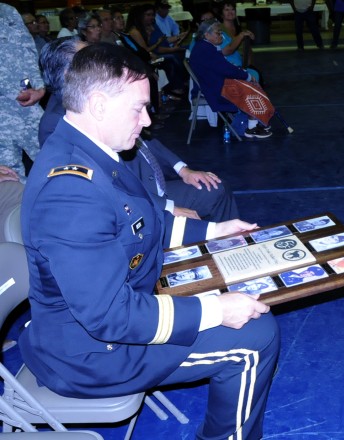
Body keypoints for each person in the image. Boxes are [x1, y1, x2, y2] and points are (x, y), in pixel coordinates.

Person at [20, 43, 279, 440]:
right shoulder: (70, 192)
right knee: (254, 337)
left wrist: (216, 232)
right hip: (93, 356)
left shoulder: (92, 151)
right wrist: (214, 310)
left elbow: (142, 222)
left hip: (104, 321)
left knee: (231, 280)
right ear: (100, 104)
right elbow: (109, 317)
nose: (147, 119)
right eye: (138, 107)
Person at [38, 37, 239, 222]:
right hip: (139, 202)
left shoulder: (91, 103)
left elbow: (144, 141)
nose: (147, 120)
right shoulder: (62, 123)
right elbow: (111, 189)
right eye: (89, 58)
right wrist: (168, 207)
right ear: (68, 73)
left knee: (216, 188)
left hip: (151, 184)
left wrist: (182, 169)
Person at [189, 20, 272, 139]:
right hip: (214, 89)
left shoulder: (205, 46)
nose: (221, 36)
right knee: (249, 88)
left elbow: (222, 67)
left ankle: (256, 120)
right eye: (218, 33)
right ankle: (252, 128)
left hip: (213, 83)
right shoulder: (205, 49)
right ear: (207, 35)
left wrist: (240, 72)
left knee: (248, 84)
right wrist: (246, 76)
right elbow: (224, 69)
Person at [0, 3, 44, 180]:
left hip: (27, 107)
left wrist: (39, 87)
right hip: (3, 114)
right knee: (10, 179)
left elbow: (28, 52)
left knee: (57, 163)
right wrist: (12, 92)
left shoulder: (8, 12)